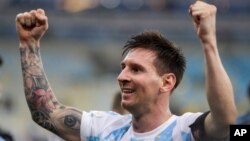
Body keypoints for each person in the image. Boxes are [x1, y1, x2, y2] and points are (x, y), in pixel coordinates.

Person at [15, 1, 237, 141]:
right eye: (123, 68)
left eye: (136, 69)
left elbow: (226, 121)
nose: (122, 77)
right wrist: (29, 45)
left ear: (166, 82)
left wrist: (208, 42)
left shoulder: (184, 131)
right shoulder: (104, 129)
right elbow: (44, 112)